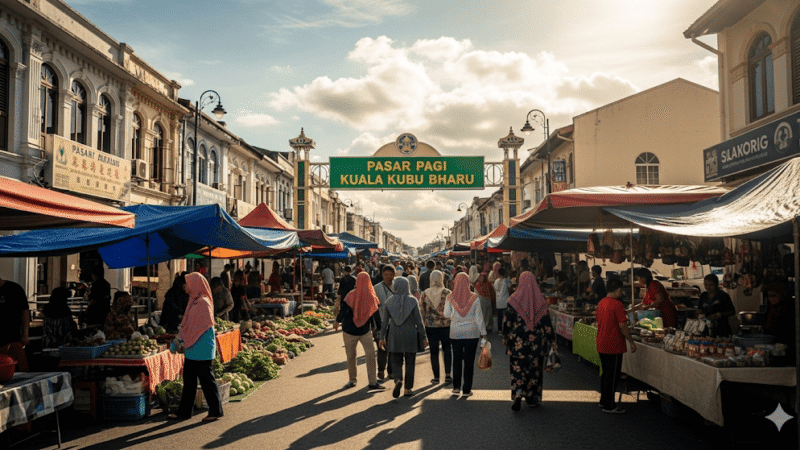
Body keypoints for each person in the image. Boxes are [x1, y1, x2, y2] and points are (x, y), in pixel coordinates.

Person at [168, 273, 223, 422]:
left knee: (207, 381)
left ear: (195, 284)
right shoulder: (195, 300)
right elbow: (188, 326)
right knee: (189, 382)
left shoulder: (203, 302)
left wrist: (181, 339)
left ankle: (215, 411)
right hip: (193, 347)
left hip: (202, 348)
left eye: (187, 284)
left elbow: (195, 328)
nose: (185, 287)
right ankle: (184, 412)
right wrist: (180, 339)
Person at [502, 271, 556, 410]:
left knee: (517, 369)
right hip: (536, 343)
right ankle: (532, 398)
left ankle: (518, 393)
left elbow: (507, 322)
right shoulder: (540, 301)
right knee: (534, 371)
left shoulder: (513, 300)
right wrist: (552, 340)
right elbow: (547, 324)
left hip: (517, 342)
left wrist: (505, 337)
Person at [379, 277, 427, 398]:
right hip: (410, 334)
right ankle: (407, 388)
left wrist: (381, 337)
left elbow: (384, 322)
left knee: (396, 360)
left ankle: (398, 379)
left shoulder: (389, 301)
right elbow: (419, 321)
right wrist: (424, 336)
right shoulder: (413, 300)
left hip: (394, 335)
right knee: (410, 362)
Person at [336, 272, 385, 391]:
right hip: (364, 330)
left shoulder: (351, 295)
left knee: (351, 356)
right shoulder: (372, 297)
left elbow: (343, 311)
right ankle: (372, 382)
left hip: (349, 330)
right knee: (371, 355)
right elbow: (376, 317)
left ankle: (352, 380)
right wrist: (380, 331)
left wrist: (337, 322)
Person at [595, 278, 637, 414]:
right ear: (618, 290)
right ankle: (610, 405)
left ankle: (604, 400)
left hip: (602, 342)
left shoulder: (601, 303)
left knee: (606, 374)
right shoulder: (617, 305)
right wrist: (630, 340)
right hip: (613, 344)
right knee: (612, 376)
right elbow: (623, 325)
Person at [444, 272, 487, 397]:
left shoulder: (450, 297)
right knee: (469, 361)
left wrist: (455, 317)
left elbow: (446, 314)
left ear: (455, 282)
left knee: (456, 359)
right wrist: (484, 334)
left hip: (455, 333)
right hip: (472, 333)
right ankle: (467, 389)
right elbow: (479, 318)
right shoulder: (474, 297)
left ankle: (456, 387)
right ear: (468, 283)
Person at [420, 270, 452, 384]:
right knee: (447, 349)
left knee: (433, 351)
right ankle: (448, 375)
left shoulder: (425, 293)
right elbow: (453, 310)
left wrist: (423, 324)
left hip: (430, 326)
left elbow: (422, 311)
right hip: (446, 325)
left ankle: (436, 377)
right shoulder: (447, 292)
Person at [373, 265, 396, 380]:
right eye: (386, 274)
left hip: (394, 323)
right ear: (382, 275)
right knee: (382, 348)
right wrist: (374, 325)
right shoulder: (376, 288)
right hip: (381, 322)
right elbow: (373, 307)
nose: (388, 277)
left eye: (390, 274)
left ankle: (391, 371)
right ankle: (381, 370)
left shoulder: (397, 287)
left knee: (392, 348)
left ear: (394, 275)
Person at [764, 280, 796, 364]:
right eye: (769, 296)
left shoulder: (789, 307)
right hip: (773, 342)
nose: (771, 298)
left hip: (786, 344)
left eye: (774, 295)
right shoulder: (771, 307)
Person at [494, 268, 512, 335]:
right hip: (505, 301)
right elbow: (510, 286)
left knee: (499, 316)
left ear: (498, 274)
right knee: (506, 316)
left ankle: (499, 330)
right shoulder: (506, 280)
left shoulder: (496, 281)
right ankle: (505, 330)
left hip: (498, 301)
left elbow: (495, 289)